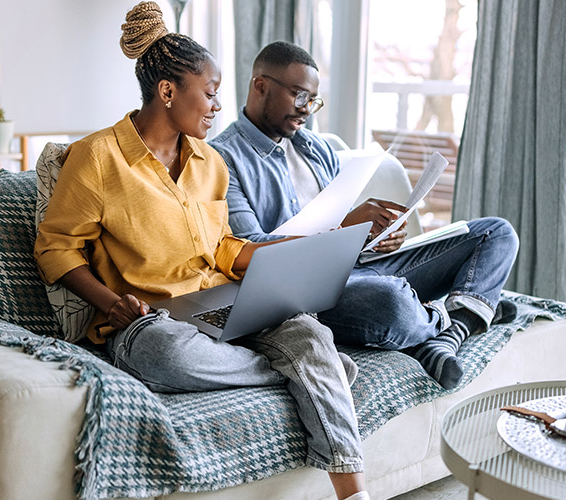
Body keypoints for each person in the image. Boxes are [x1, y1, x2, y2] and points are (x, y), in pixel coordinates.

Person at [34, 5, 369, 500]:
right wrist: (110, 304)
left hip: (220, 300)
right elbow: (55, 249)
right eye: (210, 94)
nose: (217, 106)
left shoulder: (210, 161)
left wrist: (276, 258)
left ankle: (354, 492)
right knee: (166, 354)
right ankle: (314, 370)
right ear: (168, 91)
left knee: (308, 330)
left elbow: (219, 246)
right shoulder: (98, 157)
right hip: (150, 320)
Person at [210, 41, 519, 390]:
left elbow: (344, 230)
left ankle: (445, 333)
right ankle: (466, 314)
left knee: (496, 233)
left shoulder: (317, 148)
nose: (307, 110)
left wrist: (372, 237)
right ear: (260, 85)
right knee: (391, 301)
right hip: (305, 293)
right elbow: (249, 251)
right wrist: (343, 229)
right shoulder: (222, 159)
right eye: (299, 97)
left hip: (360, 268)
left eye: (313, 100)